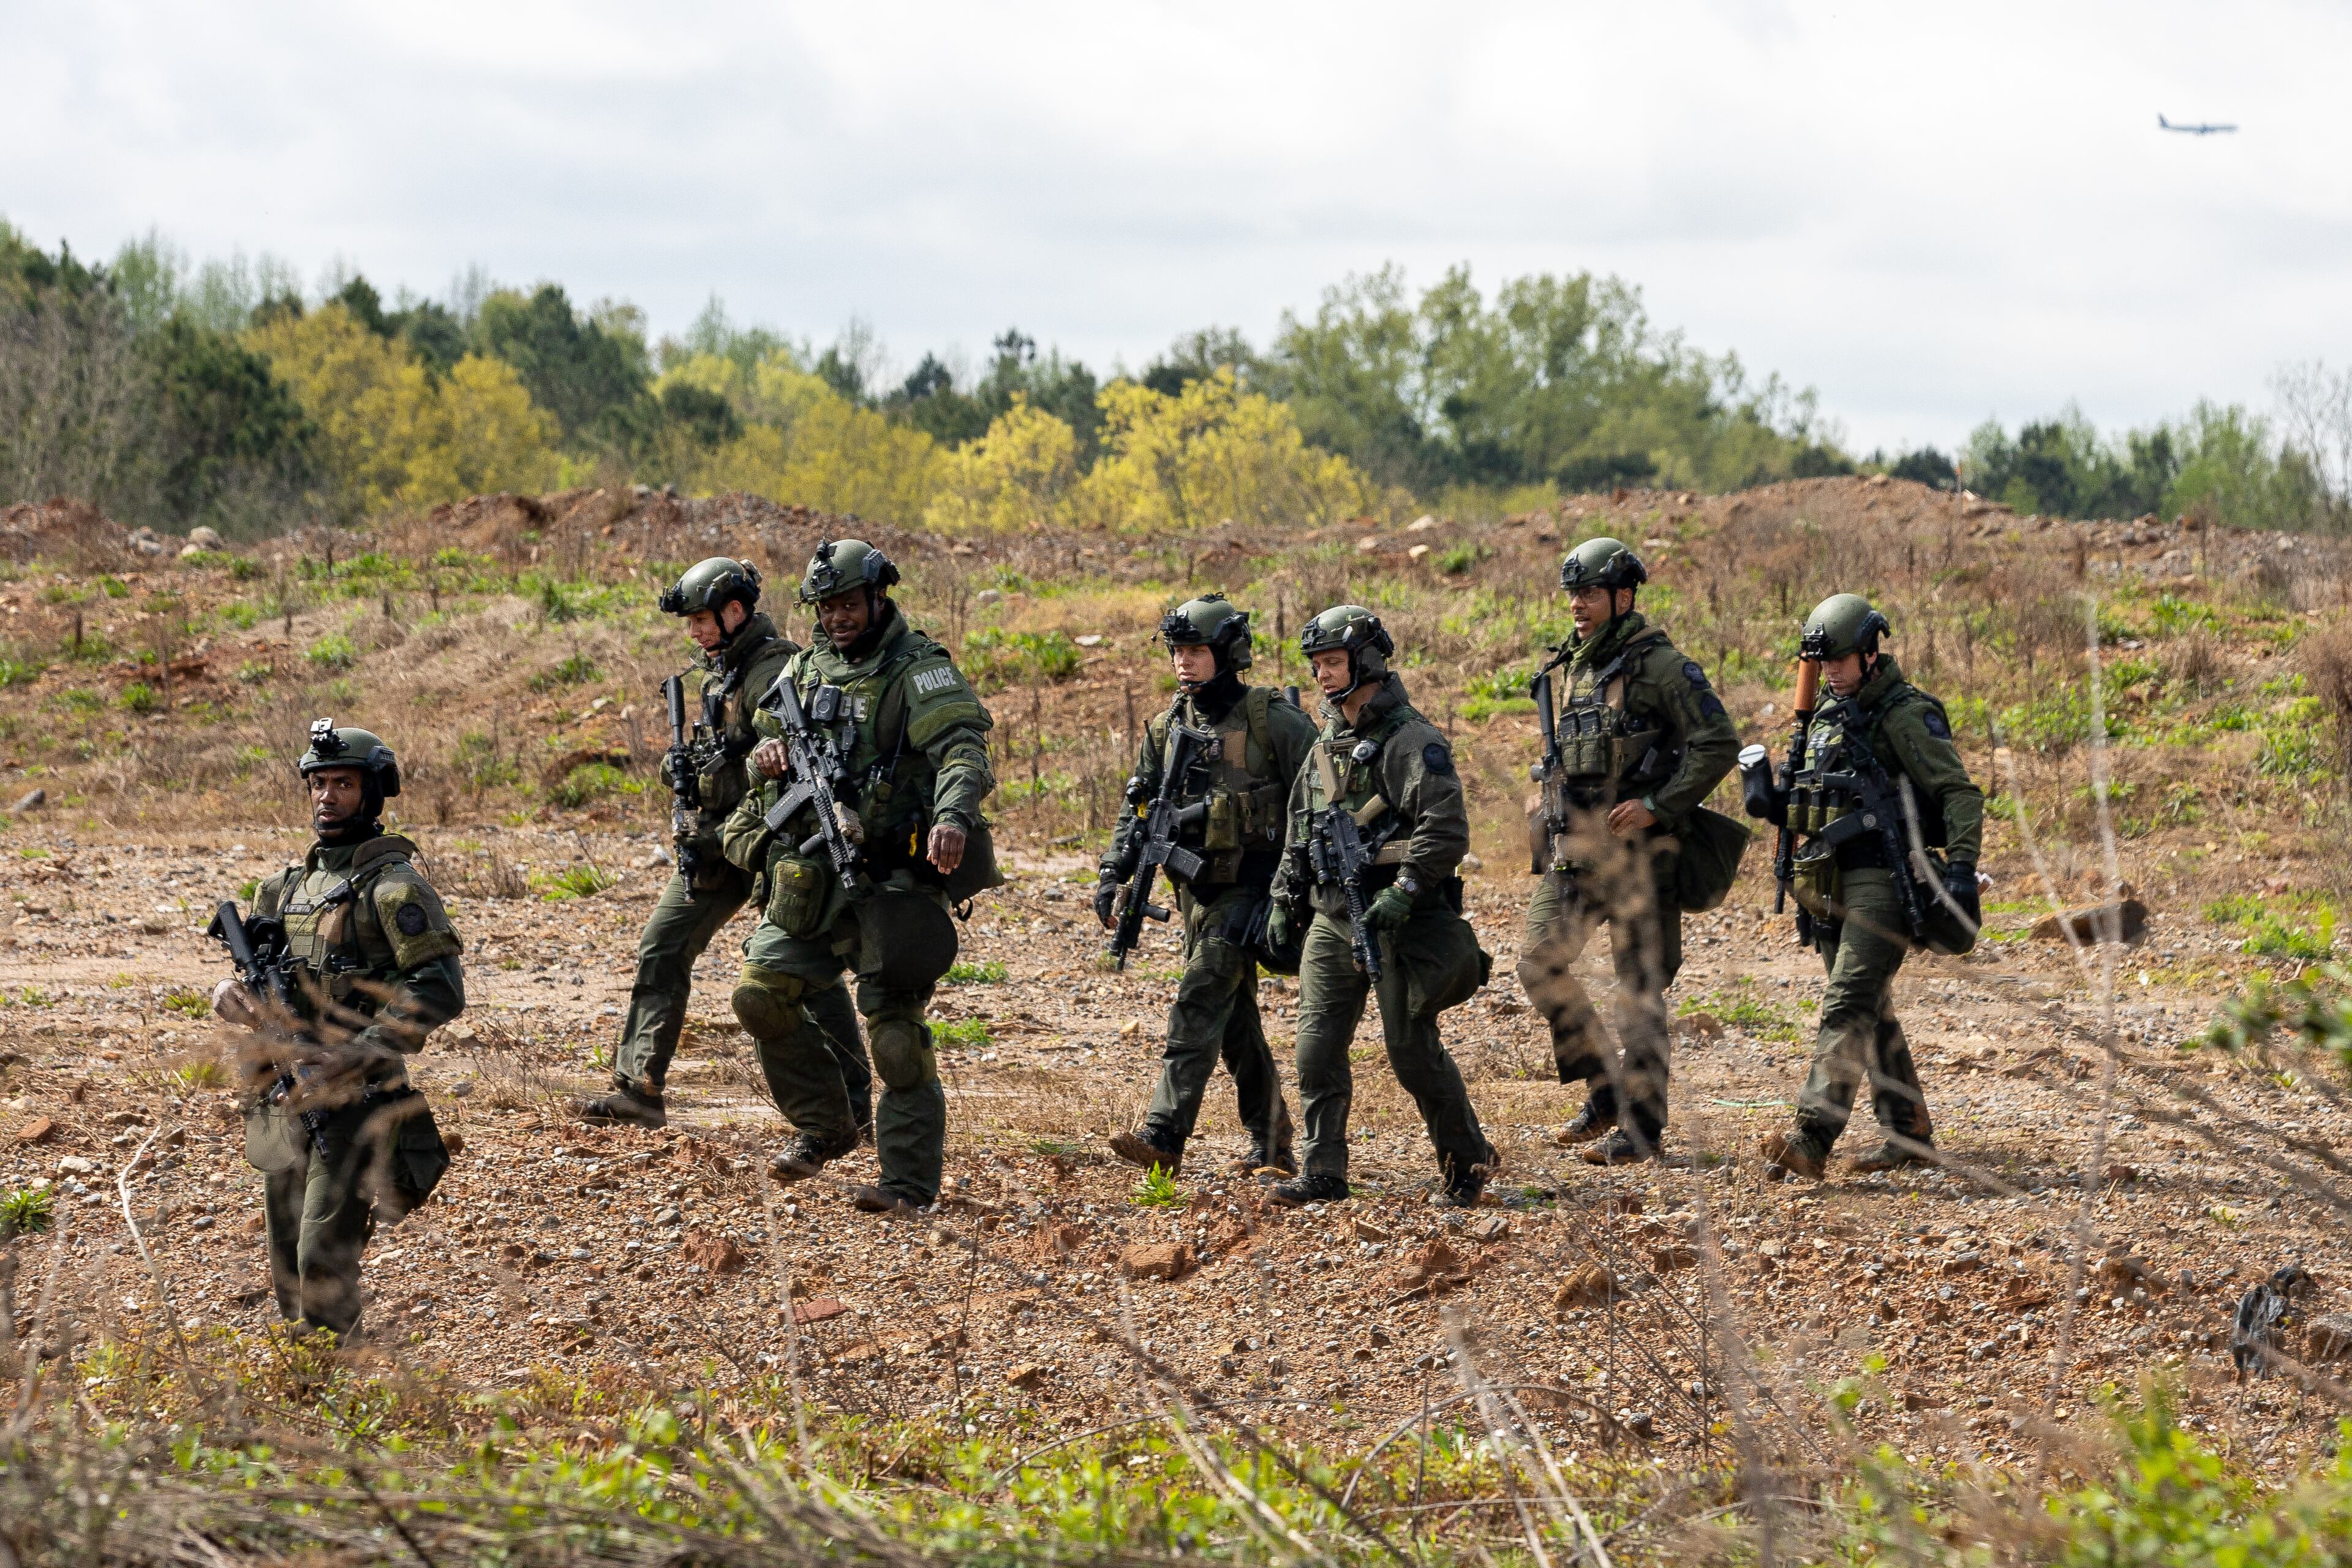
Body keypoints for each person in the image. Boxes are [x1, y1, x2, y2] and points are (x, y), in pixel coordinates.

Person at [722, 539, 999, 1215]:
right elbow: (761, 741)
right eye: (826, 607)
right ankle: (827, 1123)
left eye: (849, 604)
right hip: (814, 872)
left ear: (878, 598)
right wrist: (769, 756)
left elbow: (963, 748)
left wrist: (953, 817)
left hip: (895, 877)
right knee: (761, 996)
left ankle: (906, 1186)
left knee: (897, 1040)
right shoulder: (806, 669)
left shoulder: (918, 668)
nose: (838, 618)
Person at [573, 559, 872, 1133]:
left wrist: (728, 794)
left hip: (773, 844)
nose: (695, 632)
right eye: (691, 623)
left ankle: (850, 1103)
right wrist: (684, 769)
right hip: (716, 846)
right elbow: (725, 754)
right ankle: (639, 1088)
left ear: (736, 612)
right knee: (662, 945)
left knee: (801, 971)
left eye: (703, 620)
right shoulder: (720, 672)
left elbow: (788, 768)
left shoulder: (775, 671)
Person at [212, 721, 463, 1342]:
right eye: (319, 784)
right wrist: (233, 999)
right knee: (287, 1261)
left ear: (373, 793)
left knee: (323, 1257)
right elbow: (265, 981)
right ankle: (309, 1393)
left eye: (344, 784)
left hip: (357, 1103)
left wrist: (358, 1053)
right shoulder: (284, 888)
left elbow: (439, 988)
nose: (327, 797)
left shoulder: (394, 885)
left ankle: (337, 1389)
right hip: (284, 1095)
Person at [1518, 537, 1742, 1165]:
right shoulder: (1577, 665)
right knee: (1540, 963)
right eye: (1572, 595)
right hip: (1578, 849)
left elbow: (1717, 742)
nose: (1577, 606)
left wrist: (1660, 805)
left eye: (1589, 593)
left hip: (1641, 854)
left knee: (1638, 991)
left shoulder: (1662, 666)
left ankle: (1642, 1130)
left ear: (1623, 596)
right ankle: (1604, 1091)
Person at [1263, 606, 1494, 1208]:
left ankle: (1465, 1162)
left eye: (1333, 662)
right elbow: (1300, 827)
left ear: (1365, 661)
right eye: (1316, 666)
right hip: (1333, 916)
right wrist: (1286, 897)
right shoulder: (1328, 741)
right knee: (1315, 1047)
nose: (1322, 676)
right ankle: (1323, 1171)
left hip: (1395, 919)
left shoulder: (1412, 739)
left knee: (1410, 1051)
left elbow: (1446, 829)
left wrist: (1406, 890)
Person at [1755, 594, 1984, 1179]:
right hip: (1827, 878)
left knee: (1848, 1003)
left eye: (1840, 660)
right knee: (1871, 1009)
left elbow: (1959, 792)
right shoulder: (1823, 716)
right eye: (1821, 663)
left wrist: (1960, 869)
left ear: (1869, 653)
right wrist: (1772, 803)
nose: (1830, 672)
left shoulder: (1903, 714)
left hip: (1884, 877)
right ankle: (1908, 1132)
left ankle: (1810, 1139)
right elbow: (1815, 799)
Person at [1096, 594, 1313, 1177]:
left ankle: (1165, 1135)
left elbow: (1320, 798)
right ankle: (1272, 1143)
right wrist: (1114, 871)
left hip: (1256, 887)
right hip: (1197, 892)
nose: (1184, 663)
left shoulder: (1272, 720)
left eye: (1196, 651)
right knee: (1235, 1021)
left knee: (1198, 998)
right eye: (1177, 652)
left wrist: (1289, 887)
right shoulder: (1168, 729)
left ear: (1227, 653)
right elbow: (1136, 807)